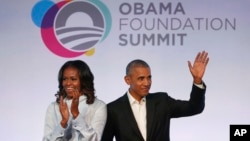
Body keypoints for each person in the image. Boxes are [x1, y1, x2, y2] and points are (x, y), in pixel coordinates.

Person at [101, 51, 209, 141]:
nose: (147, 83)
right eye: (141, 78)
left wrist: (197, 80)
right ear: (127, 80)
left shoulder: (162, 101)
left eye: (149, 77)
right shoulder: (113, 109)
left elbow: (194, 108)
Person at [43, 60, 107, 141]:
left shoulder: (98, 106)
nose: (68, 83)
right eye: (65, 79)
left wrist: (76, 115)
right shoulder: (53, 107)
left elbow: (95, 139)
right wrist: (63, 123)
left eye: (73, 79)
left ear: (83, 81)